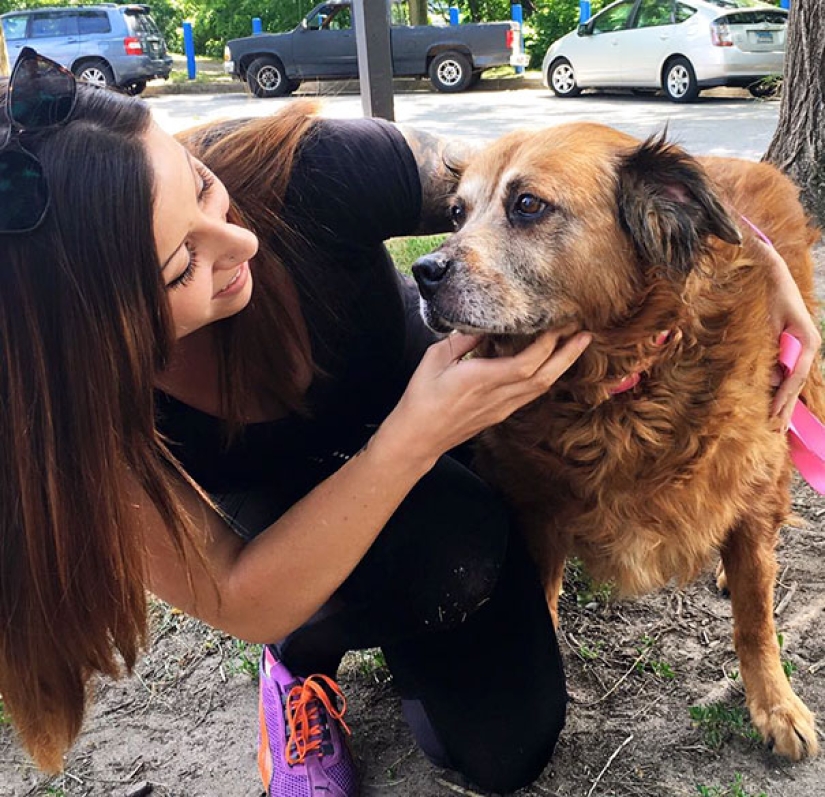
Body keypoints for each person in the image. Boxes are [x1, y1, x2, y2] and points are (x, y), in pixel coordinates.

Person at [0, 48, 818, 797]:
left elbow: (564, 177)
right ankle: (299, 667)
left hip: (434, 447)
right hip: (286, 524)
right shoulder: (63, 417)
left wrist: (759, 249)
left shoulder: (311, 173)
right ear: (90, 331)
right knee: (440, 552)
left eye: (202, 185)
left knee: (506, 750)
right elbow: (239, 595)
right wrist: (413, 435)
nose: (240, 237)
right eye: (183, 261)